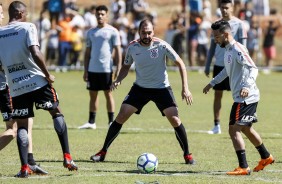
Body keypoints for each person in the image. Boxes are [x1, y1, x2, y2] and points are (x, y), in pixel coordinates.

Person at [90, 19, 195, 165]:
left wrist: (185, 88)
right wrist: (118, 79)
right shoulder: (133, 47)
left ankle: (187, 155)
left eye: (149, 32)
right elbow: (126, 66)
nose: (146, 35)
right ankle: (102, 152)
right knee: (121, 116)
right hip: (140, 89)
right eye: (143, 33)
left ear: (153, 31)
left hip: (161, 88)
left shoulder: (162, 45)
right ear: (138, 32)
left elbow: (181, 64)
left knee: (175, 119)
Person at [0, 1, 77, 178]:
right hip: (37, 82)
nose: (27, 16)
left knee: (22, 125)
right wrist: (48, 74)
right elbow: (35, 52)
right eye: (25, 13)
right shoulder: (28, 27)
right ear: (20, 13)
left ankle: (25, 168)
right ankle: (67, 157)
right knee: (56, 112)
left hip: (16, 87)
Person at [203, 20, 274, 175]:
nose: (215, 39)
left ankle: (243, 167)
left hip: (246, 97)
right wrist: (212, 83)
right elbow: (226, 72)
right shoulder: (228, 51)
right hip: (243, 97)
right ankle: (266, 156)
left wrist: (246, 86)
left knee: (233, 129)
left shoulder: (237, 49)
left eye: (216, 36)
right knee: (245, 128)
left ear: (225, 34)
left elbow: (253, 69)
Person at [0, 2, 47, 175]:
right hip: (5, 87)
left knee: (26, 120)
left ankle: (30, 161)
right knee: (13, 129)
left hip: (8, 85)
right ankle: (29, 162)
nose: (3, 16)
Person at [204, 0, 247, 134]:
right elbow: (212, 46)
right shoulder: (217, 25)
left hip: (235, 67)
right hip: (219, 65)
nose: (224, 10)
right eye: (222, 8)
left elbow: (243, 47)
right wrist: (207, 64)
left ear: (232, 8)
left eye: (226, 8)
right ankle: (216, 125)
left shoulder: (240, 24)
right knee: (217, 95)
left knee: (240, 95)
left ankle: (243, 123)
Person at [78, 5, 122, 129]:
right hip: (92, 69)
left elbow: (118, 51)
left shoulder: (113, 31)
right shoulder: (91, 32)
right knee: (93, 95)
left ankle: (111, 122)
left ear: (107, 15)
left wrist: (118, 68)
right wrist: (85, 70)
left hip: (106, 69)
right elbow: (87, 53)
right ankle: (91, 122)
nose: (100, 16)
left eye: (102, 14)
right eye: (98, 14)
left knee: (108, 94)